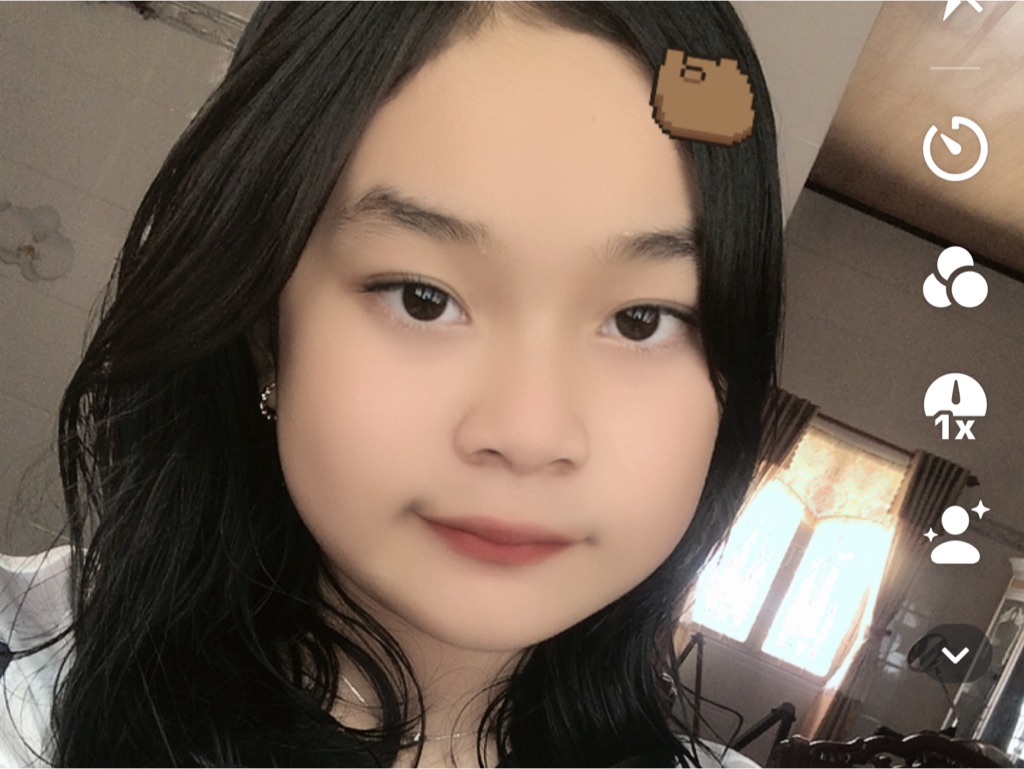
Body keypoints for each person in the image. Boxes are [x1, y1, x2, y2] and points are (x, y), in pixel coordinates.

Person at [0, 2, 783, 766]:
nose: (529, 432)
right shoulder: (25, 688)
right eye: (422, 298)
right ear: (265, 328)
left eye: (642, 320)